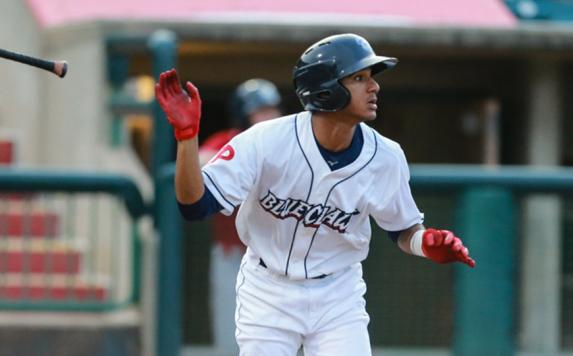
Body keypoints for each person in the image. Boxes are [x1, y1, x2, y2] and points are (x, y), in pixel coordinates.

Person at [155, 33, 476, 356]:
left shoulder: (386, 157)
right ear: (326, 90)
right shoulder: (265, 141)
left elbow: (401, 228)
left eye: (371, 78)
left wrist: (425, 244)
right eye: (359, 78)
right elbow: (194, 205)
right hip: (268, 290)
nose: (374, 87)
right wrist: (187, 137)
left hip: (338, 294)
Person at [198, 79, 282, 351]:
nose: (269, 116)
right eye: (261, 110)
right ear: (243, 114)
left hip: (277, 257)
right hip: (231, 254)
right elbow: (199, 162)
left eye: (272, 109)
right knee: (229, 332)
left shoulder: (286, 142)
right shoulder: (229, 141)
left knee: (278, 335)